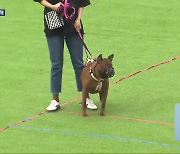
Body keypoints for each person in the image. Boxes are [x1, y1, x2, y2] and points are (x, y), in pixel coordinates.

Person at [33, 0, 97, 111]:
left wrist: (78, 19)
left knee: (78, 63)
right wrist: (52, 6)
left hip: (73, 24)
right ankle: (55, 100)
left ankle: (85, 97)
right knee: (56, 63)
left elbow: (81, 3)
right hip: (53, 24)